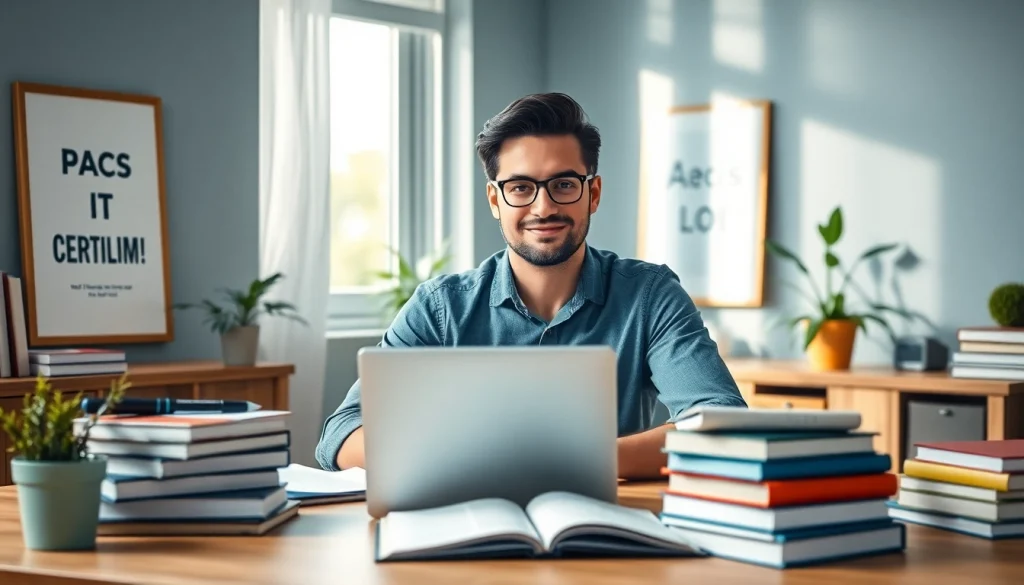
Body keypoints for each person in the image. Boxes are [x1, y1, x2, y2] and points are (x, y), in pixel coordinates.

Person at [315, 93, 746, 479]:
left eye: (563, 185)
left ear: (593, 193)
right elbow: (342, 432)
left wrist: (578, 461)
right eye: (520, 187)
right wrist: (469, 461)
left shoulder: (650, 296)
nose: (544, 207)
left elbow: (719, 422)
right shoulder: (439, 308)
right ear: (494, 200)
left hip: (608, 534)